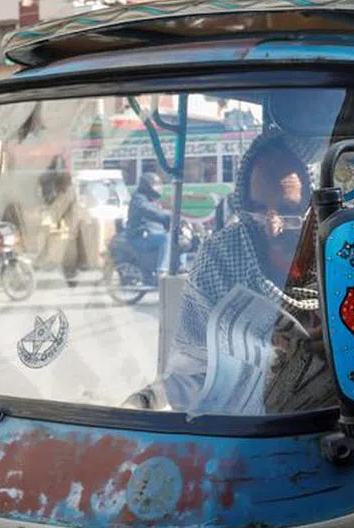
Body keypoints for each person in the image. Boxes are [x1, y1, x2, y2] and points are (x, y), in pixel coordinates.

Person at [129, 130, 335, 414]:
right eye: (258, 210)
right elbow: (191, 371)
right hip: (240, 427)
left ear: (312, 206)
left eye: (288, 211)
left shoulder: (340, 252)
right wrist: (144, 401)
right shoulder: (220, 258)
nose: (273, 227)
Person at [127, 171, 171, 277]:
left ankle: (180, 267)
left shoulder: (151, 199)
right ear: (147, 185)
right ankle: (162, 270)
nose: (158, 188)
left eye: (159, 185)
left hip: (150, 234)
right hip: (139, 236)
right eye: (155, 185)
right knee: (166, 238)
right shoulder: (139, 199)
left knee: (179, 239)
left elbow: (160, 213)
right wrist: (168, 216)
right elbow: (150, 211)